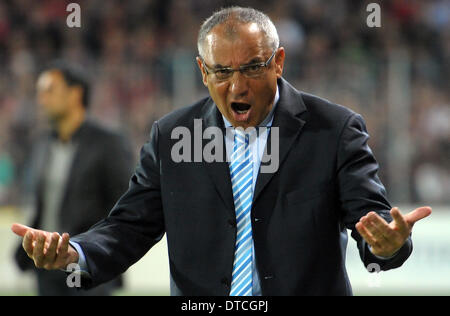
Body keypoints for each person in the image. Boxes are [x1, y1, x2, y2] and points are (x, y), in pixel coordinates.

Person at [12, 7, 431, 296]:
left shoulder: (334, 130)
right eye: (222, 72)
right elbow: (128, 227)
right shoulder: (172, 136)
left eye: (252, 67)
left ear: (279, 61)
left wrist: (386, 244)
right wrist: (75, 253)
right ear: (201, 70)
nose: (238, 86)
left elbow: (372, 223)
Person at [13, 62, 134, 296]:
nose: (41, 99)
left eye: (49, 90)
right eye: (40, 92)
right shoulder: (43, 145)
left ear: (75, 93)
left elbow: (124, 205)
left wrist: (100, 252)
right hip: (46, 270)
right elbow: (44, 205)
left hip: (86, 267)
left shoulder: (108, 142)